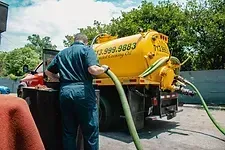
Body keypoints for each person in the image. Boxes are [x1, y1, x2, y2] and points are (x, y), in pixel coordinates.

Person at [45, 33, 109, 150]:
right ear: (85, 42)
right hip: (83, 92)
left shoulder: (62, 53)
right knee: (90, 131)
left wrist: (60, 79)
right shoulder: (87, 50)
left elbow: (48, 72)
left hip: (65, 92)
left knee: (69, 131)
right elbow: (93, 69)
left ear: (74, 41)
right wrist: (104, 68)